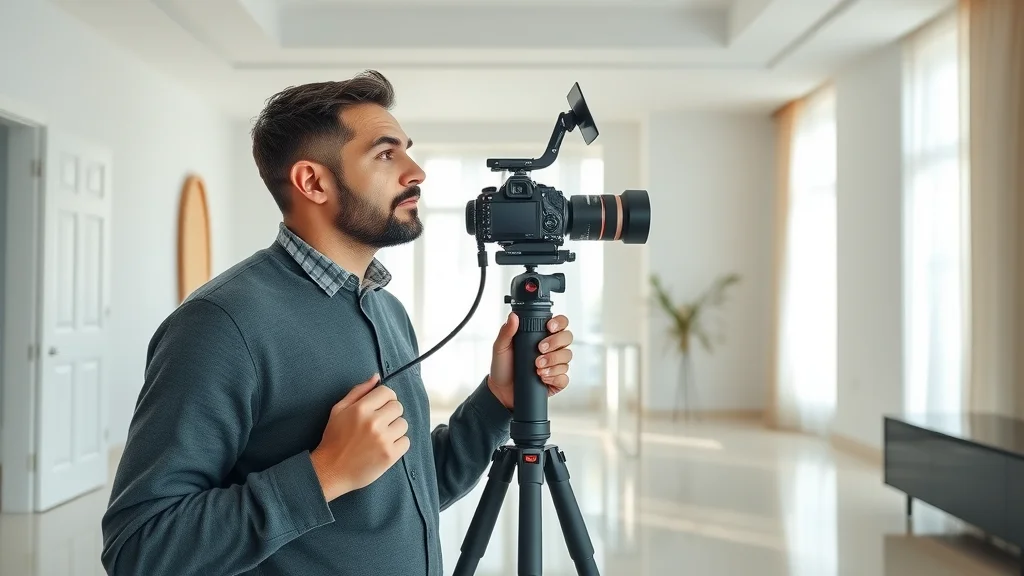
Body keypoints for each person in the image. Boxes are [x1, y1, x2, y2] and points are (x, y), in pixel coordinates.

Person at [99, 70, 575, 576]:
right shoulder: (219, 325)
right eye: (386, 154)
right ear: (313, 182)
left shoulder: (387, 310)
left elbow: (404, 492)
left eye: (407, 152)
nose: (416, 172)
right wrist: (324, 473)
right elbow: (139, 548)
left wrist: (497, 401)